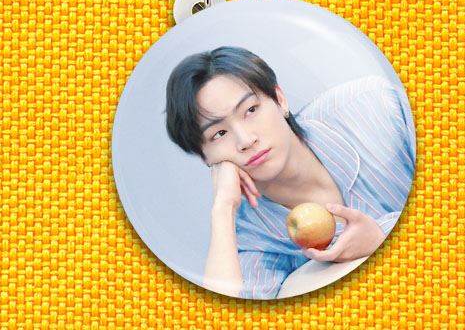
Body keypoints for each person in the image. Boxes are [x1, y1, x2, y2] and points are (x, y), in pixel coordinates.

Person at [164, 46, 415, 299]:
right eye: (219, 133)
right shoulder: (252, 238)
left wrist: (381, 237)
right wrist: (222, 210)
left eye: (251, 110)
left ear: (279, 99)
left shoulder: (372, 106)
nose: (246, 140)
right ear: (205, 157)